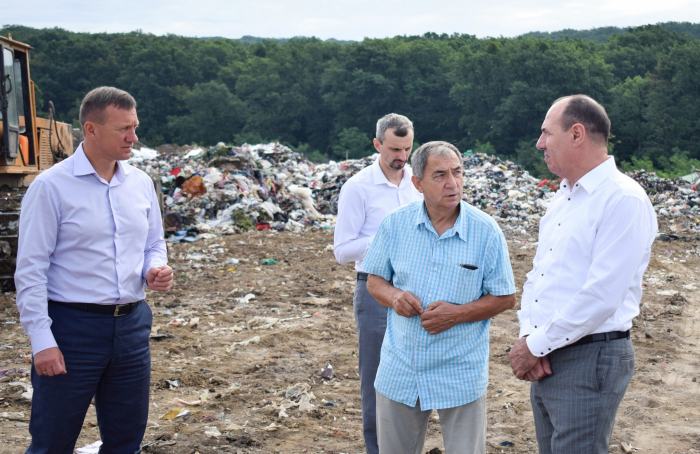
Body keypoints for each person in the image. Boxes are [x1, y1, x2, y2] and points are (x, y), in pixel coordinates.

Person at [15, 86, 173, 454]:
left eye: (134, 127)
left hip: (132, 327)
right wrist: (42, 340)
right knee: (52, 443)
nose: (133, 138)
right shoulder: (51, 187)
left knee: (124, 441)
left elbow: (153, 244)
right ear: (91, 130)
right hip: (72, 330)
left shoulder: (140, 183)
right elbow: (31, 270)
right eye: (123, 129)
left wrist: (155, 268)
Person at [508, 95, 657, 454]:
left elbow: (601, 296)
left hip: (589, 357)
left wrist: (535, 344)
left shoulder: (623, 200)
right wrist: (531, 334)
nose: (540, 143)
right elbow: (539, 277)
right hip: (550, 355)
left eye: (546, 133)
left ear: (577, 134)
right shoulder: (564, 199)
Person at [363, 141, 516, 454]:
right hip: (401, 368)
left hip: (459, 371)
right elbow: (374, 281)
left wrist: (457, 314)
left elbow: (505, 297)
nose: (453, 183)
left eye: (458, 173)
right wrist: (394, 297)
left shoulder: (485, 231)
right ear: (418, 183)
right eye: (441, 175)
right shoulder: (395, 224)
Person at [333, 113, 423, 454]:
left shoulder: (417, 182)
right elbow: (342, 250)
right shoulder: (358, 187)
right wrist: (386, 239)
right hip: (374, 290)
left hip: (416, 288)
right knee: (375, 378)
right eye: (394, 149)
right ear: (376, 145)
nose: (401, 157)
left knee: (413, 372)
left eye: (407, 149)